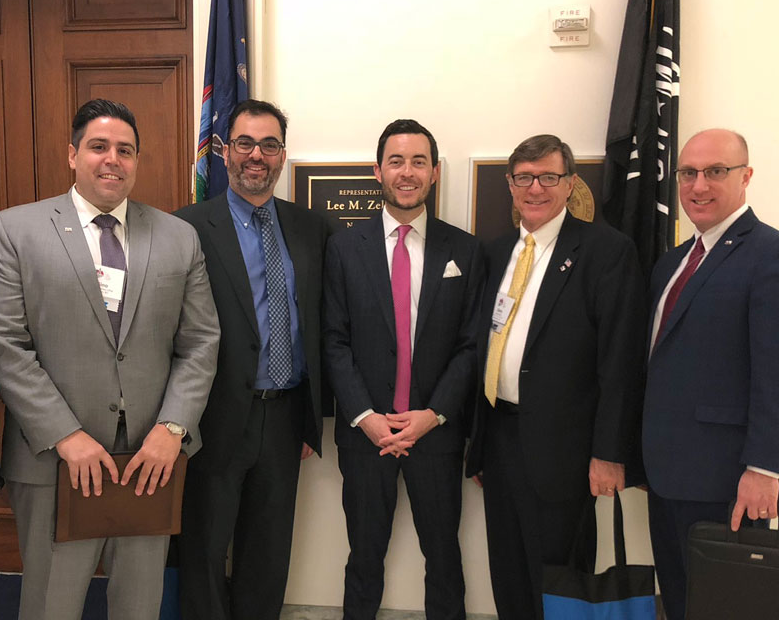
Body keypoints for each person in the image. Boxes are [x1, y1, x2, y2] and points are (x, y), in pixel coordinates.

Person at [0, 98, 220, 620]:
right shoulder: (15, 231)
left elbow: (200, 341)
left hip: (149, 462)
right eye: (99, 147)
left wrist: (172, 429)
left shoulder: (178, 237)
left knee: (139, 605)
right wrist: (66, 435)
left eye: (125, 150)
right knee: (51, 605)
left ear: (137, 161)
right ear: (72, 155)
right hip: (53, 461)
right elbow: (3, 343)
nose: (113, 159)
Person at [465, 134, 646, 619]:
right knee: (507, 567)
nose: (536, 188)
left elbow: (620, 363)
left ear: (570, 185)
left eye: (549, 177)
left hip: (567, 451)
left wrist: (608, 454)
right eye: (525, 178)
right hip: (501, 438)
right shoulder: (497, 251)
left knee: (561, 578)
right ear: (510, 185)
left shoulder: (607, 251)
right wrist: (481, 443)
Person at [323, 119, 484, 620]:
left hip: (435, 434)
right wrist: (365, 417)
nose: (407, 172)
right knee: (364, 556)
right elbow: (335, 340)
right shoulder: (345, 248)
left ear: (434, 172)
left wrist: (432, 414)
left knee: (444, 555)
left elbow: (470, 345)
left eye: (418, 162)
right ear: (378, 171)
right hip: (365, 433)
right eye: (396, 161)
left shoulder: (465, 250)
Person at [174, 99, 328, 620]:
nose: (256, 155)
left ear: (283, 155)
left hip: (285, 416)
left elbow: (324, 323)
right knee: (205, 547)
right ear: (224, 152)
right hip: (214, 417)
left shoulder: (312, 229)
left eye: (268, 144)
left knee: (268, 549)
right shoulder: (187, 228)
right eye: (244, 143)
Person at [642, 128, 779, 620]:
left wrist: (765, 469)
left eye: (715, 172)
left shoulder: (769, 254)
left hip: (728, 479)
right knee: (679, 600)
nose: (698, 186)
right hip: (666, 473)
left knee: (728, 607)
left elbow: (774, 371)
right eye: (688, 173)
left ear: (746, 177)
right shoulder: (673, 263)